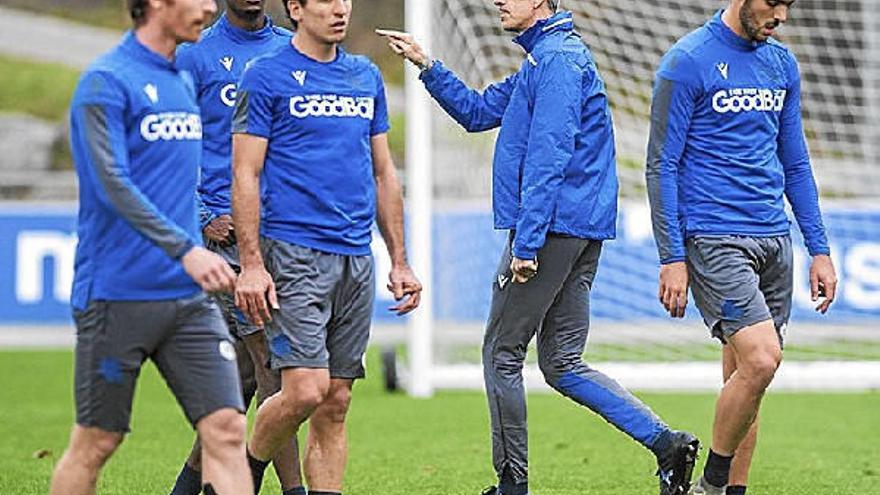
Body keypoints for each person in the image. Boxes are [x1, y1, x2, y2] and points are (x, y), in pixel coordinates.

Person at [379, 1, 699, 494]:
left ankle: (512, 487)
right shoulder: (545, 58)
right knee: (562, 363)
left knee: (500, 354)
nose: (499, 2)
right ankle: (667, 445)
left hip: (551, 232)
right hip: (576, 229)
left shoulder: (557, 62)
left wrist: (526, 245)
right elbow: (478, 111)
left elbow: (550, 157)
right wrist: (428, 65)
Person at [51, 0, 253, 494]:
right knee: (97, 440)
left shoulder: (182, 82)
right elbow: (111, 185)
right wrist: (185, 249)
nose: (209, 7)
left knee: (226, 430)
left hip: (186, 300)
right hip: (117, 294)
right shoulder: (104, 83)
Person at [645, 1, 837, 493]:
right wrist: (671, 257)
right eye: (773, 2)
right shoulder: (686, 61)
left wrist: (819, 248)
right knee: (761, 360)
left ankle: (733, 491)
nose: (782, 16)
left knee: (748, 380)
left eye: (789, 5)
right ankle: (710, 482)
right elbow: (661, 166)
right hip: (714, 237)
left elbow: (795, 163)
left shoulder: (782, 64)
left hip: (775, 239)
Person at [231, 0, 422, 493]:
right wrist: (251, 264)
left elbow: (384, 172)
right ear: (295, 7)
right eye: (326, 0)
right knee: (305, 390)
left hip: (356, 257)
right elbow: (245, 173)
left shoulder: (364, 75)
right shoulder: (265, 75)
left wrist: (399, 260)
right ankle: (238, 476)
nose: (340, 9)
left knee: (335, 402)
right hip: (293, 251)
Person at [170, 1, 303, 493]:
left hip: (281, 235)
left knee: (246, 378)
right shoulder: (197, 54)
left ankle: (191, 488)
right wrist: (202, 215)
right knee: (276, 370)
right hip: (225, 238)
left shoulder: (288, 50)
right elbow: (170, 144)